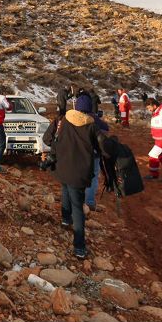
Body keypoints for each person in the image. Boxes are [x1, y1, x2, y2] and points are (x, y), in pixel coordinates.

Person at [43, 96, 102, 259]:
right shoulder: (92, 126)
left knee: (65, 189)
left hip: (63, 167)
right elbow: (102, 148)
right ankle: (79, 247)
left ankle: (65, 219)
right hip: (80, 172)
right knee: (78, 207)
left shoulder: (63, 121)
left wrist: (59, 149)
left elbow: (47, 139)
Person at [75, 93, 109, 211]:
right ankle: (89, 202)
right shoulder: (93, 118)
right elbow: (106, 128)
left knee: (78, 175)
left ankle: (76, 200)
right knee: (93, 177)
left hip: (78, 153)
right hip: (93, 153)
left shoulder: (73, 118)